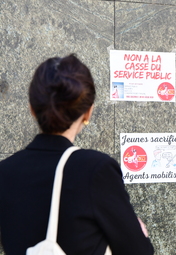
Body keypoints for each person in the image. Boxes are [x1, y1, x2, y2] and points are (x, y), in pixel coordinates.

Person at [0, 54, 154, 255]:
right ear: (88, 113)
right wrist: (140, 233)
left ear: (32, 109)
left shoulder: (4, 172)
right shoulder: (95, 170)